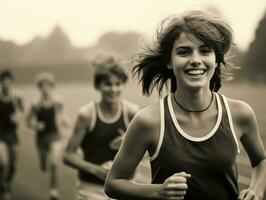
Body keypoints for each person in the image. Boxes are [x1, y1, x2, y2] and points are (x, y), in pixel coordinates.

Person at [104, 10, 266, 200]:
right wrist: (156, 191)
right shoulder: (149, 121)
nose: (195, 60)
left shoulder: (240, 113)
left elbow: (261, 160)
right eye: (184, 52)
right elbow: (113, 183)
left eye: (205, 51)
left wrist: (256, 189)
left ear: (216, 59)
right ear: (169, 62)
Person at [64, 55, 139, 200]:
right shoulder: (87, 115)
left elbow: (148, 151)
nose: (113, 89)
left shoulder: (132, 113)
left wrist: (130, 142)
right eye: (108, 84)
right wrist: (97, 170)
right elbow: (68, 155)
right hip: (91, 189)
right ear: (98, 86)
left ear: (123, 84)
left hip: (124, 188)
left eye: (118, 84)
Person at [27, 72, 68, 200]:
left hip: (55, 135)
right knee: (44, 165)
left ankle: (53, 191)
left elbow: (62, 116)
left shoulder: (58, 102)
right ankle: (43, 162)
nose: (46, 89)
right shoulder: (35, 104)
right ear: (39, 87)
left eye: (48, 86)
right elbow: (28, 121)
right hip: (41, 138)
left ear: (52, 86)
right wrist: (35, 125)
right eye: (43, 86)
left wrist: (66, 122)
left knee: (55, 163)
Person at [0, 69, 24, 200]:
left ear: (11, 83)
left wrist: (18, 117)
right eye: (4, 82)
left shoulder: (16, 98)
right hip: (0, 136)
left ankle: (7, 183)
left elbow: (23, 113)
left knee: (13, 165)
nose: (6, 84)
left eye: (9, 82)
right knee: (3, 162)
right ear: (1, 83)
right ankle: (3, 188)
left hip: (13, 135)